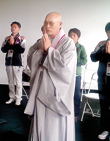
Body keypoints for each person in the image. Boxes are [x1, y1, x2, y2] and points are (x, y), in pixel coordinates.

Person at [24, 12, 77, 141]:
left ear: (60, 24)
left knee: (55, 128)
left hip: (56, 95)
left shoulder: (68, 43)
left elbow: (65, 67)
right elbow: (31, 56)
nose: (47, 26)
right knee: (40, 124)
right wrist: (42, 52)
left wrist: (49, 51)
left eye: (51, 23)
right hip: (40, 90)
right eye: (45, 22)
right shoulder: (41, 41)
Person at [1, 21, 26, 106]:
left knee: (18, 82)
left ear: (19, 28)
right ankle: (12, 97)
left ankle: (18, 98)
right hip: (8, 62)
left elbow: (22, 50)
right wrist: (9, 43)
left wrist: (13, 45)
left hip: (17, 63)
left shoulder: (22, 38)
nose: (13, 28)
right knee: (10, 81)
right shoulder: (7, 38)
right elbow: (3, 49)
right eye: (12, 26)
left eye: (15, 27)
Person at [68, 28, 87, 121]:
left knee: (76, 94)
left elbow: (84, 61)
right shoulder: (65, 46)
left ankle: (75, 114)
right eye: (70, 35)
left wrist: (74, 60)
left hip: (76, 75)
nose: (71, 37)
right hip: (66, 74)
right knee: (66, 93)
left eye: (74, 36)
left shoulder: (81, 48)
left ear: (78, 37)